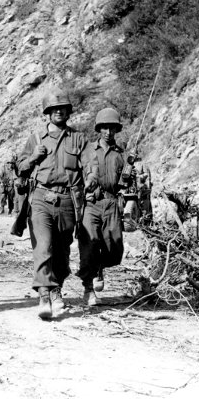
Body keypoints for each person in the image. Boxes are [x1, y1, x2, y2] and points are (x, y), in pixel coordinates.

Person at [16, 92, 89, 321]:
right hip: (40, 197)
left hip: (68, 200)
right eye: (54, 108)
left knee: (62, 249)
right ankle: (45, 294)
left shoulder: (78, 139)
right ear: (47, 112)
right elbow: (20, 168)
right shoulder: (36, 138)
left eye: (63, 108)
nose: (59, 111)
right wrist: (33, 158)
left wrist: (93, 177)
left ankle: (57, 288)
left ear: (68, 112)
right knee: (44, 246)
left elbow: (89, 164)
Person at [77, 107, 126, 301]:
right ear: (99, 129)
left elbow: (126, 182)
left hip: (112, 203)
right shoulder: (88, 150)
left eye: (112, 128)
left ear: (116, 130)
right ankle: (89, 287)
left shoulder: (122, 154)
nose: (108, 132)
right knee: (88, 245)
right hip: (91, 203)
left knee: (114, 249)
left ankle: (99, 267)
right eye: (104, 128)